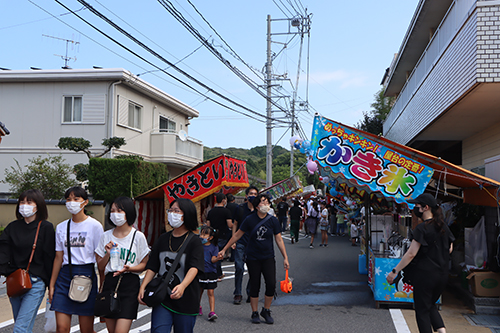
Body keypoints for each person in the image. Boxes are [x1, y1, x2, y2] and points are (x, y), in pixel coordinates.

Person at [387, 193, 455, 333]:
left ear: (425, 208)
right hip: (442, 275)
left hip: (425, 275)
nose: (414, 208)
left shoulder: (422, 228)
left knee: (422, 310)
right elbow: (449, 249)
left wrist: (395, 271)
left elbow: (411, 253)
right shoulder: (443, 227)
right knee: (429, 305)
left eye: (417, 206)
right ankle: (442, 331)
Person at [219, 193, 289, 325]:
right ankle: (255, 312)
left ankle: (266, 310)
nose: (266, 204)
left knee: (271, 284)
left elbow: (279, 239)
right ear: (257, 205)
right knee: (254, 285)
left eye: (267, 202)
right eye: (263, 202)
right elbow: (237, 235)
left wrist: (285, 257)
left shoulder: (273, 220)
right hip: (253, 257)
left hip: (268, 257)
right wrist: (224, 249)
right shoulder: (249, 220)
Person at [138, 198, 204, 333]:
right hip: (162, 297)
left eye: (177, 211)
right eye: (171, 210)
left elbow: (194, 267)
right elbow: (153, 266)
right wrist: (143, 286)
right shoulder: (162, 239)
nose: (172, 214)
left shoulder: (194, 241)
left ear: (187, 214)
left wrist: (183, 286)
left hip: (186, 300)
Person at [50, 186, 104, 333]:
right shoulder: (61, 227)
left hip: (86, 274)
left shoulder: (95, 226)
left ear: (85, 202)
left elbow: (100, 257)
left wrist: (102, 284)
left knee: (86, 329)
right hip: (65, 275)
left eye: (76, 199)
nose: (71, 203)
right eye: (68, 199)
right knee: (61, 328)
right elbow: (58, 257)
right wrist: (52, 285)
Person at [0, 189, 55, 333]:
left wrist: (52, 286)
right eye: (22, 202)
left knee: (20, 328)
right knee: (24, 326)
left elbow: (49, 257)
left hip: (35, 283)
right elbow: (3, 251)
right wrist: (6, 271)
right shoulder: (12, 227)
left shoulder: (45, 227)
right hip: (15, 282)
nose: (25, 205)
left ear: (38, 205)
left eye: (29, 202)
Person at [95, 197, 150, 333]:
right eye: (112, 210)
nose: (115, 214)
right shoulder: (106, 236)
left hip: (129, 284)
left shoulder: (138, 236)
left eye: (119, 210)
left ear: (128, 213)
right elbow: (100, 267)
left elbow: (144, 264)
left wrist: (129, 268)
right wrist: (107, 254)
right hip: (110, 283)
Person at [232, 186, 258, 305]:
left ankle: (250, 292)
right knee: (239, 267)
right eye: (251, 193)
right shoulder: (240, 208)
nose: (253, 195)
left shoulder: (259, 210)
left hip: (254, 244)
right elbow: (235, 224)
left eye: (255, 194)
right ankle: (238, 293)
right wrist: (233, 241)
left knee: (254, 269)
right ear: (246, 196)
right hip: (241, 242)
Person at [206, 193, 233, 280]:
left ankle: (218, 273)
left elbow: (208, 225)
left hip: (212, 235)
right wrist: (235, 225)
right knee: (218, 255)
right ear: (223, 200)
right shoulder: (226, 211)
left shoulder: (211, 211)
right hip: (223, 235)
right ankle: (217, 274)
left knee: (213, 254)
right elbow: (229, 225)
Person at [198, 225, 222, 321]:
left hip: (211, 272)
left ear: (210, 237)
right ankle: (198, 306)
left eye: (205, 234)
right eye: (201, 234)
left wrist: (217, 258)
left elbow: (212, 260)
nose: (202, 236)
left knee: (210, 292)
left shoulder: (214, 247)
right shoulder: (198, 246)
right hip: (200, 271)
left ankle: (212, 311)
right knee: (199, 291)